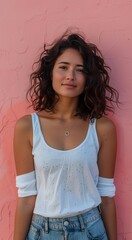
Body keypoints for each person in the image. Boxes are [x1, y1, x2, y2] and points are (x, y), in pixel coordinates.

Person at [13, 31, 119, 240]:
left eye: (80, 70)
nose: (70, 75)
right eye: (63, 67)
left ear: (88, 79)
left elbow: (106, 195)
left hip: (91, 229)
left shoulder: (102, 128)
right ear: (50, 72)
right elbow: (26, 198)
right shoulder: (27, 127)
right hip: (42, 231)